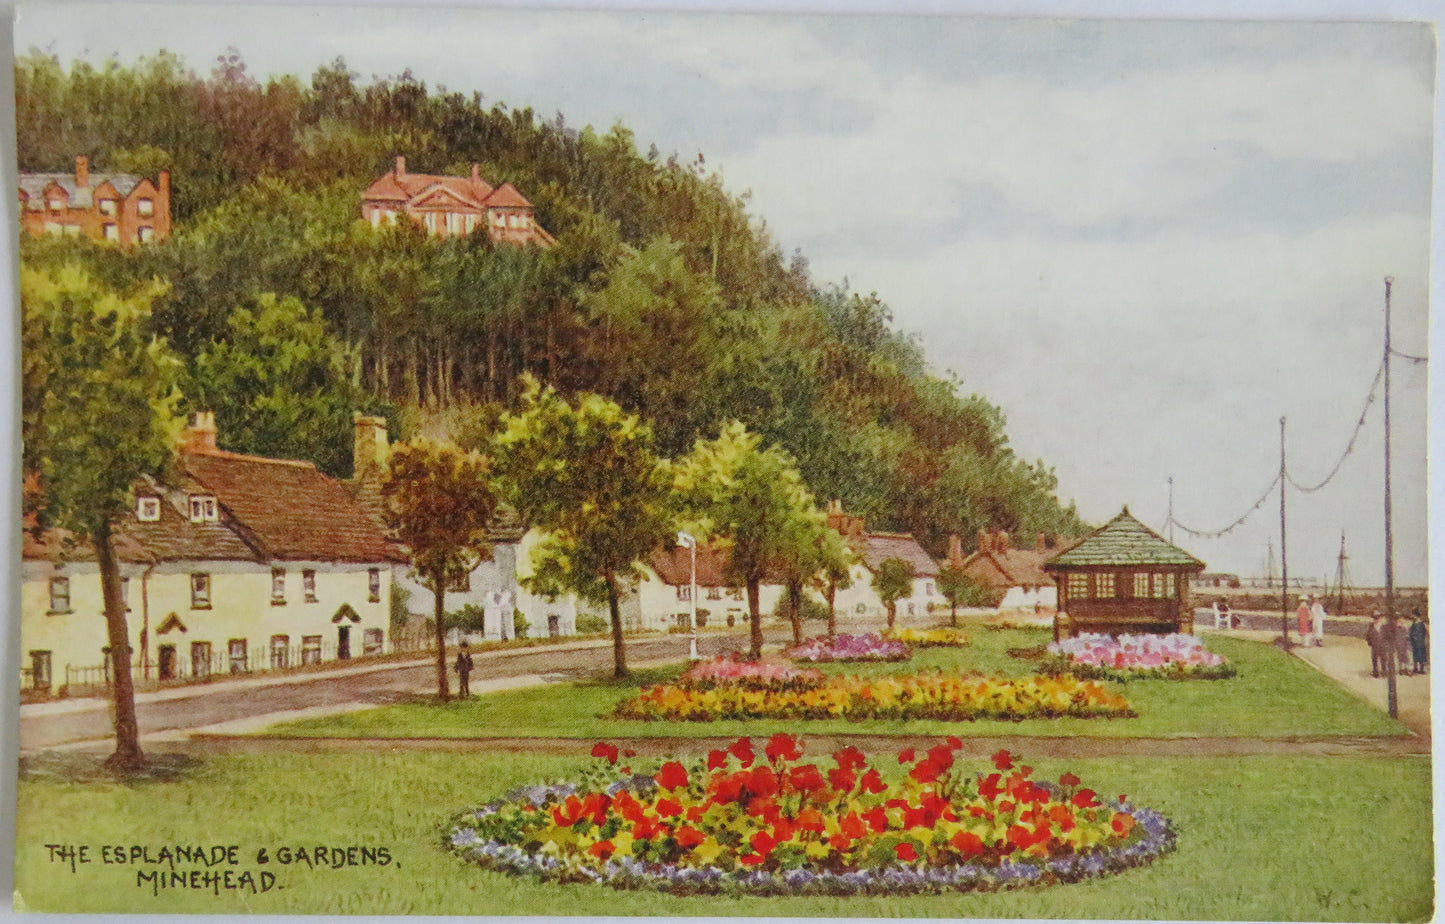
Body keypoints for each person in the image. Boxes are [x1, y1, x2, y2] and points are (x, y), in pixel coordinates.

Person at [1408, 609, 1428, 675]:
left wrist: (1421, 638)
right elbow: (1411, 632)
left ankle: (1421, 669)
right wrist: (1411, 638)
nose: (1413, 616)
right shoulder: (1414, 623)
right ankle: (1416, 668)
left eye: (1413, 615)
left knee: (1421, 655)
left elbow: (1424, 632)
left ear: (1416, 616)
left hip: (1420, 641)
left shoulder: (1420, 623)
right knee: (1415, 655)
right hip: (1415, 642)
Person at [1366, 612, 1385, 678]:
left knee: (1383, 659)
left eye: (1376, 618)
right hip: (1374, 645)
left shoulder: (1383, 626)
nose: (1375, 620)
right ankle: (1375, 672)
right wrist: (1369, 642)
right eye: (1374, 618)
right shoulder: (1371, 626)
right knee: (1374, 659)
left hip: (1382, 645)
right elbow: (1368, 635)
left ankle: (1384, 672)